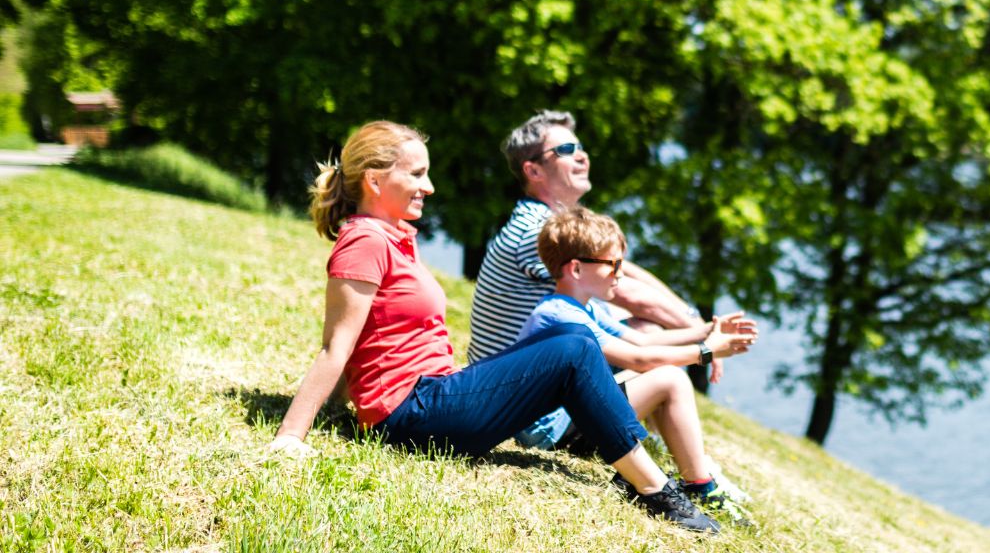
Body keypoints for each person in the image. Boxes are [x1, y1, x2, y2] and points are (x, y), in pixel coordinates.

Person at [265, 121, 722, 533]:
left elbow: (374, 339)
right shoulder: (364, 240)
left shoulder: (396, 236)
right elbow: (338, 345)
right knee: (575, 351)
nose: (430, 186)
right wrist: (292, 435)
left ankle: (644, 477)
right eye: (417, 174)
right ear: (375, 180)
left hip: (432, 396)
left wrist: (343, 408)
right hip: (411, 414)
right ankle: (654, 489)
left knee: (574, 337)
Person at [469, 111, 745, 452]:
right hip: (525, 397)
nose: (583, 155)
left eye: (581, 146)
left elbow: (626, 271)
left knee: (649, 334)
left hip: (535, 380)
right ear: (534, 170)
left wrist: (699, 323)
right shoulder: (536, 232)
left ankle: (661, 443)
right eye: (567, 149)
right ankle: (668, 453)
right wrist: (703, 334)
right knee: (655, 348)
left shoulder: (551, 225)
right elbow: (632, 295)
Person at [526, 206, 755, 515]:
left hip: (568, 420)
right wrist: (706, 352)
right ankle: (700, 485)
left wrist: (706, 331)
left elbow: (643, 340)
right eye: (613, 264)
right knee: (670, 379)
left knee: (667, 373)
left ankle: (693, 477)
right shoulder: (561, 314)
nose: (620, 273)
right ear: (577, 270)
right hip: (551, 434)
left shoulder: (581, 307)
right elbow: (637, 357)